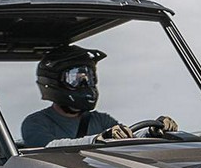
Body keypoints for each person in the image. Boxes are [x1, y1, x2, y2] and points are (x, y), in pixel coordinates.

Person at [21, 45, 177, 147]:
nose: (85, 83)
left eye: (89, 77)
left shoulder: (100, 120)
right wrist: (97, 140)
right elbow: (49, 149)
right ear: (53, 81)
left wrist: (151, 130)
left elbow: (126, 137)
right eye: (75, 78)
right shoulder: (35, 123)